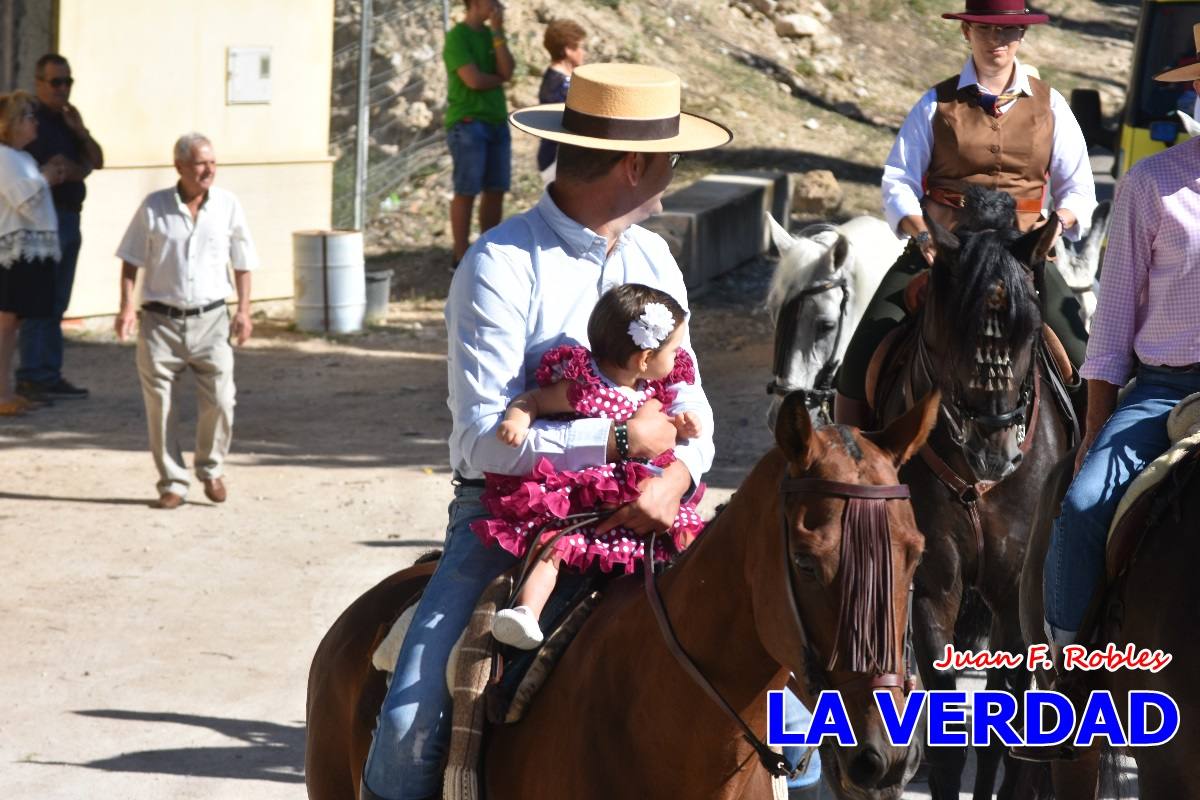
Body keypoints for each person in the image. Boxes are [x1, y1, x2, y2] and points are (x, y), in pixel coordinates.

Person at [359, 62, 731, 800]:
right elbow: (478, 442)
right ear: (634, 165)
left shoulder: (656, 257)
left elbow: (692, 399)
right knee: (408, 721)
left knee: (791, 705)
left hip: (659, 505)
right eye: (669, 159)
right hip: (508, 518)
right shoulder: (500, 263)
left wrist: (678, 477)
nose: (671, 175)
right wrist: (621, 444)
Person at [835, 0, 1097, 428]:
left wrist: (1059, 224)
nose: (998, 40)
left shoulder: (1052, 106)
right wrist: (921, 236)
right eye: (987, 29)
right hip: (944, 248)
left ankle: (1086, 463)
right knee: (862, 350)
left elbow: (1079, 189)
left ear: (1022, 36)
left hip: (1022, 254)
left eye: (1008, 31)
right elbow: (899, 179)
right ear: (967, 32)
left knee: (1083, 355)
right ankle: (853, 458)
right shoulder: (934, 103)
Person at [1041, 41, 1200, 660]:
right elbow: (1110, 325)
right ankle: (1064, 660)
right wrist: (1096, 423)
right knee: (1083, 506)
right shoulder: (1149, 184)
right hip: (1164, 390)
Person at [481, 283, 705, 649]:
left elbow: (667, 428)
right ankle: (526, 613)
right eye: (674, 349)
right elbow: (533, 400)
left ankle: (698, 596)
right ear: (644, 359)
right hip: (587, 489)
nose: (679, 356)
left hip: (642, 488)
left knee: (684, 533)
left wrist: (685, 426)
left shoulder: (652, 390)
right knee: (554, 544)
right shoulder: (585, 388)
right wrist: (518, 420)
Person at [113, 133, 257, 509]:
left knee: (222, 399)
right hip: (160, 322)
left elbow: (242, 262)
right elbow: (131, 259)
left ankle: (210, 468)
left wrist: (244, 309)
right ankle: (173, 482)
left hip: (211, 319)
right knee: (159, 405)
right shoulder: (154, 206)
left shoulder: (227, 205)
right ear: (179, 167)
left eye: (212, 162)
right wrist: (127, 306)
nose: (208, 169)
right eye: (199, 163)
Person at [17, 54, 104, 401]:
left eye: (68, 82)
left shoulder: (69, 120)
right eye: (56, 82)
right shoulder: (29, 120)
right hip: (41, 217)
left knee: (58, 300)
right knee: (38, 299)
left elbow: (95, 161)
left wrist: (81, 134)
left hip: (69, 215)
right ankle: (32, 374)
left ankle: (48, 372)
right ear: (39, 82)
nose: (63, 89)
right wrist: (52, 169)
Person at [0, 91, 65, 416]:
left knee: (12, 324)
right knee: (4, 323)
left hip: (29, 251)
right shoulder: (3, 157)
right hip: (12, 252)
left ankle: (6, 389)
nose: (34, 122)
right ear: (10, 123)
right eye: (27, 116)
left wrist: (44, 176)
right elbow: (24, 201)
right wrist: (46, 177)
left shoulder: (21, 157)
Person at [443, 0, 514, 268]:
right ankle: (460, 257)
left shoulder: (491, 34)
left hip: (496, 121)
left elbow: (507, 70)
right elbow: (473, 80)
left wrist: (498, 33)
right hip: (468, 123)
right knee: (467, 190)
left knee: (496, 189)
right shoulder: (457, 37)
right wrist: (495, 79)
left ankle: (487, 252)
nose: (497, 5)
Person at [535, 19, 587, 184]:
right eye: (580, 47)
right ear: (568, 50)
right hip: (558, 159)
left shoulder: (562, 79)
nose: (583, 52)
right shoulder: (559, 84)